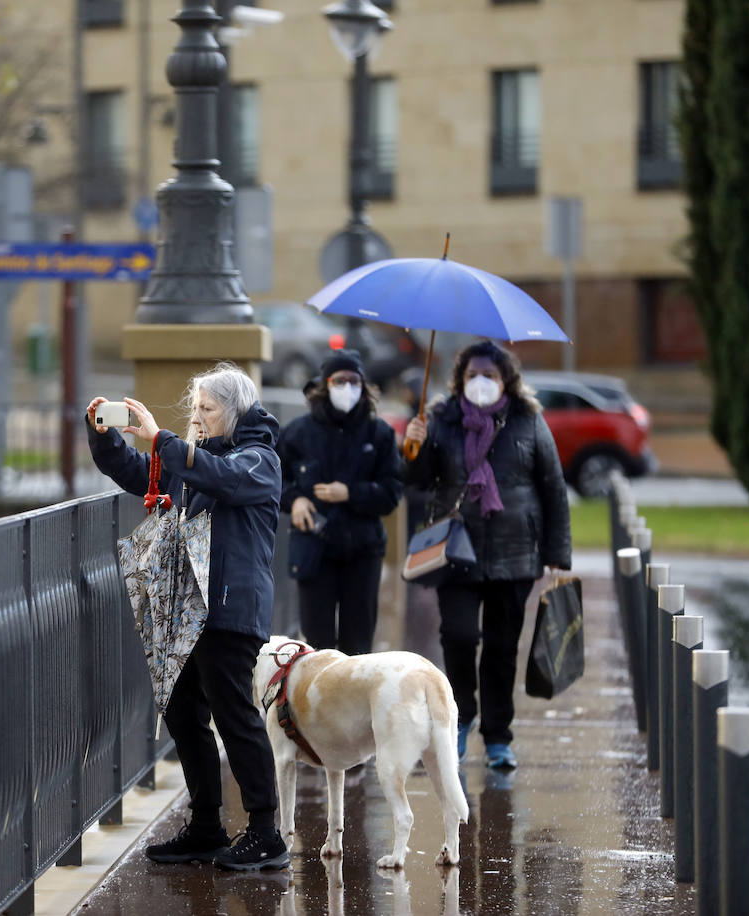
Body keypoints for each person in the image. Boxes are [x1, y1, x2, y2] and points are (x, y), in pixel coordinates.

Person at [86, 363, 289, 871]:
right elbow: (139, 473)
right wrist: (108, 439)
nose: (196, 416)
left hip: (229, 610)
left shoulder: (258, 459)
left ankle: (266, 833)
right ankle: (205, 828)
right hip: (186, 611)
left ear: (234, 411)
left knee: (234, 716)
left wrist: (164, 439)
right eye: (194, 407)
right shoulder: (192, 459)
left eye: (207, 409)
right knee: (182, 712)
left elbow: (220, 478)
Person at [400, 340, 571, 771]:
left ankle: (498, 736)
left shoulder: (528, 419)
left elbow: (552, 485)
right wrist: (412, 446)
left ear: (505, 381)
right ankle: (460, 719)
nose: (480, 382)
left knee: (501, 646)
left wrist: (557, 551)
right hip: (456, 549)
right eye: (472, 375)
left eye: (489, 376)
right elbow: (417, 481)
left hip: (515, 552)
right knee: (458, 637)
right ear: (460, 379)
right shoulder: (441, 418)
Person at [276, 349, 403, 655]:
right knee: (318, 646)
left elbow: (392, 491)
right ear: (325, 384)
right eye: (340, 380)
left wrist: (350, 493)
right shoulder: (297, 433)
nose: (347, 387)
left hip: (362, 550)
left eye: (354, 381)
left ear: (364, 386)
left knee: (358, 645)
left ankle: (354, 702)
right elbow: (273, 481)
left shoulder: (380, 433)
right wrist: (295, 501)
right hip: (314, 550)